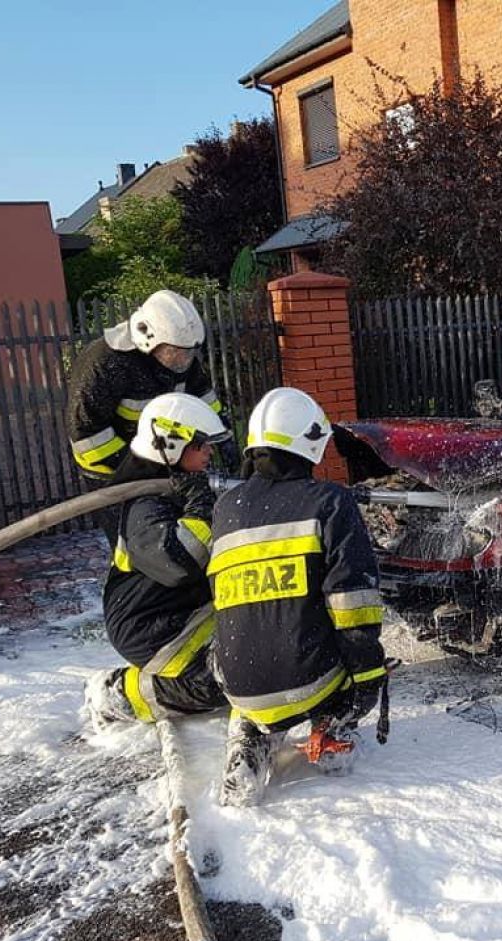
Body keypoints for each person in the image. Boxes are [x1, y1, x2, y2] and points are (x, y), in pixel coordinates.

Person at [207, 387, 389, 807]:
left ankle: (248, 740)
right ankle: (332, 728)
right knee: (336, 664)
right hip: (310, 680)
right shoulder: (330, 502)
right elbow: (353, 602)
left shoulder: (226, 508)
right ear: (310, 443)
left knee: (256, 668)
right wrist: (367, 677)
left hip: (238, 683)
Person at [83, 392, 232, 728]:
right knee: (222, 682)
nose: (209, 452)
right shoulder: (144, 506)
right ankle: (119, 694)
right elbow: (179, 564)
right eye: (201, 445)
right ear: (171, 444)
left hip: (185, 611)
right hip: (151, 627)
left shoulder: (177, 489)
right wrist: (201, 507)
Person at [66, 291, 237, 531]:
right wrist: (144, 467)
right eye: (174, 352)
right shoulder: (104, 363)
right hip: (111, 470)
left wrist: (223, 436)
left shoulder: (178, 355)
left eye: (189, 353)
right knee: (134, 535)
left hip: (163, 460)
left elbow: (202, 396)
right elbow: (87, 435)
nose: (183, 360)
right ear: (147, 339)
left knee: (172, 531)